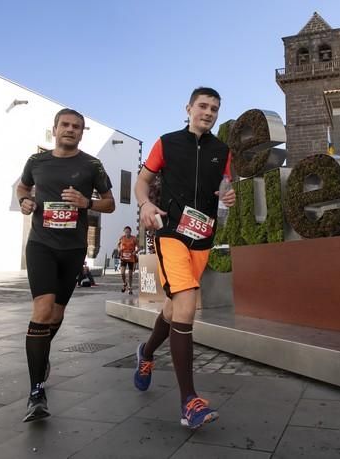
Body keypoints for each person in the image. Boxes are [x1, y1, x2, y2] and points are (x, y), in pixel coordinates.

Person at [132, 87, 235, 429]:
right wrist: (145, 204)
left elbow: (224, 187)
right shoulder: (167, 142)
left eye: (215, 108)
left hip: (203, 238)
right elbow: (142, 181)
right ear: (188, 108)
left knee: (173, 308)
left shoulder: (223, 151)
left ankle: (146, 353)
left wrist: (228, 193)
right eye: (203, 106)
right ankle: (189, 401)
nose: (208, 112)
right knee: (188, 303)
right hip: (171, 233)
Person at [16, 108, 115, 422]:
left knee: (56, 315)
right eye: (66, 125)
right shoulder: (36, 162)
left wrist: (87, 203)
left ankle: (41, 356)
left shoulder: (92, 165)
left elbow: (110, 203)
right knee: (42, 310)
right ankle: (36, 392)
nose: (71, 130)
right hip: (41, 245)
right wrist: (24, 201)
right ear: (55, 128)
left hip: (73, 249)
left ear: (82, 133)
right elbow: (22, 187)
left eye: (77, 127)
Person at [117, 226, 139, 294]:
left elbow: (139, 247)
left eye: (128, 232)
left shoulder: (134, 238)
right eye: (126, 232)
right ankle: (124, 283)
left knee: (130, 275)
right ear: (124, 232)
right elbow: (118, 245)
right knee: (122, 273)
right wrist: (119, 249)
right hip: (123, 257)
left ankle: (130, 287)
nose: (127, 233)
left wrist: (135, 251)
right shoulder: (122, 238)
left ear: (130, 232)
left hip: (131, 258)